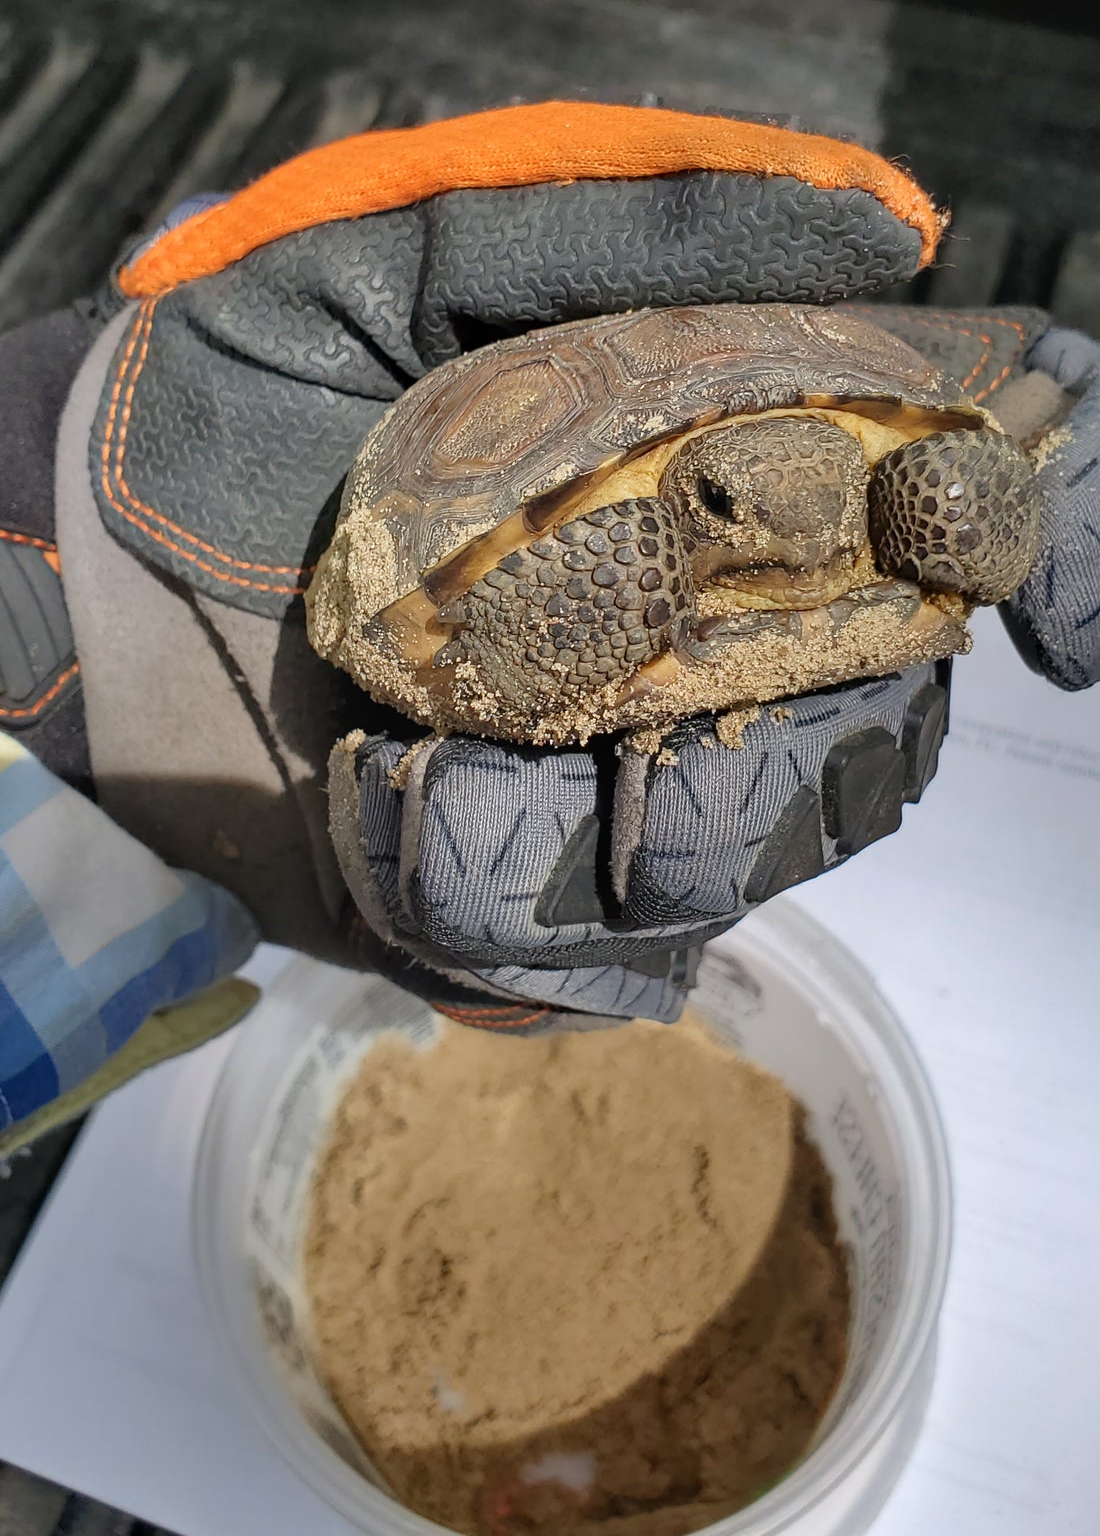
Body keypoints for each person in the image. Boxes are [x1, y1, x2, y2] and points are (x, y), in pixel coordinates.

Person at [2, 99, 1097, 1153]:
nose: (795, 532)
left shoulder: (888, 489)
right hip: (565, 501)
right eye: (724, 500)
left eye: (831, 497)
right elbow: (528, 595)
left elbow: (958, 484)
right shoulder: (635, 544)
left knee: (957, 502)